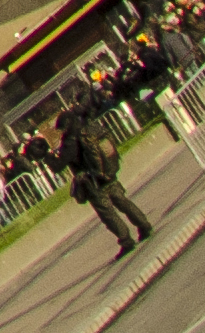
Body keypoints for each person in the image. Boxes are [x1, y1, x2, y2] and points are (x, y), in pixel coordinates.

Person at [60, 103, 153, 256]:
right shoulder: (89, 128)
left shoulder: (71, 141)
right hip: (109, 172)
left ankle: (126, 240)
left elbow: (60, 163)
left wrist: (51, 156)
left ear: (67, 125)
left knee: (107, 213)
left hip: (94, 181)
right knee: (122, 200)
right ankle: (144, 225)